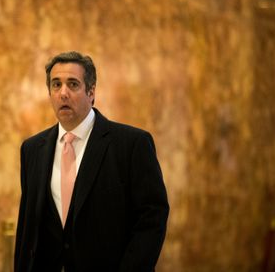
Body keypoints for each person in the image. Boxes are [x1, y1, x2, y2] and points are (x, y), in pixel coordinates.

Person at [15, 51, 169, 272]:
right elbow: (27, 228)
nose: (63, 93)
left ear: (91, 92)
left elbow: (152, 219)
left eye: (73, 84)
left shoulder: (131, 144)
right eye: (56, 85)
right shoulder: (32, 149)